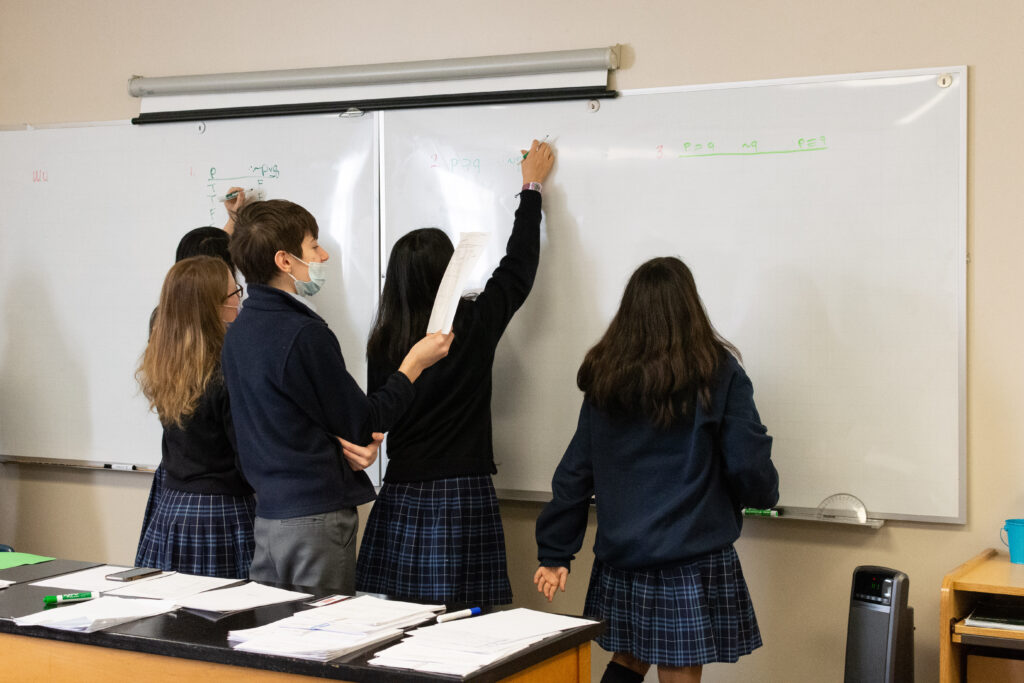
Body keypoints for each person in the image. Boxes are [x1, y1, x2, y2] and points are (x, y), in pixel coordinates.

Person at [533, 257, 779, 683]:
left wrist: (556, 552)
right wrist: (763, 495)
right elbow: (747, 461)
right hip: (690, 557)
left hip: (623, 558)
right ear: (690, 308)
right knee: (679, 669)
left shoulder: (606, 377)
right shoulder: (717, 371)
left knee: (628, 659)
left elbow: (576, 469)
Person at [355, 139, 555, 606]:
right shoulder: (473, 324)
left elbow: (377, 418)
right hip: (463, 492)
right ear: (449, 273)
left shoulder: (384, 340)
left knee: (399, 624)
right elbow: (518, 267)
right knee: (464, 625)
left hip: (402, 491)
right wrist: (531, 188)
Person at [221, 198, 452, 592]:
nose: (323, 254)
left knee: (275, 639)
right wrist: (413, 364)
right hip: (314, 519)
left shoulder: (239, 330)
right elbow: (363, 422)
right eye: (313, 246)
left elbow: (284, 417)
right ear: (285, 260)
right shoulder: (302, 333)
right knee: (320, 639)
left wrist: (339, 444)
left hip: (270, 514)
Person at [136, 189, 248, 565]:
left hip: (177, 496)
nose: (239, 293)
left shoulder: (168, 332)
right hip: (221, 502)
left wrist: (234, 220)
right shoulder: (226, 361)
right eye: (233, 286)